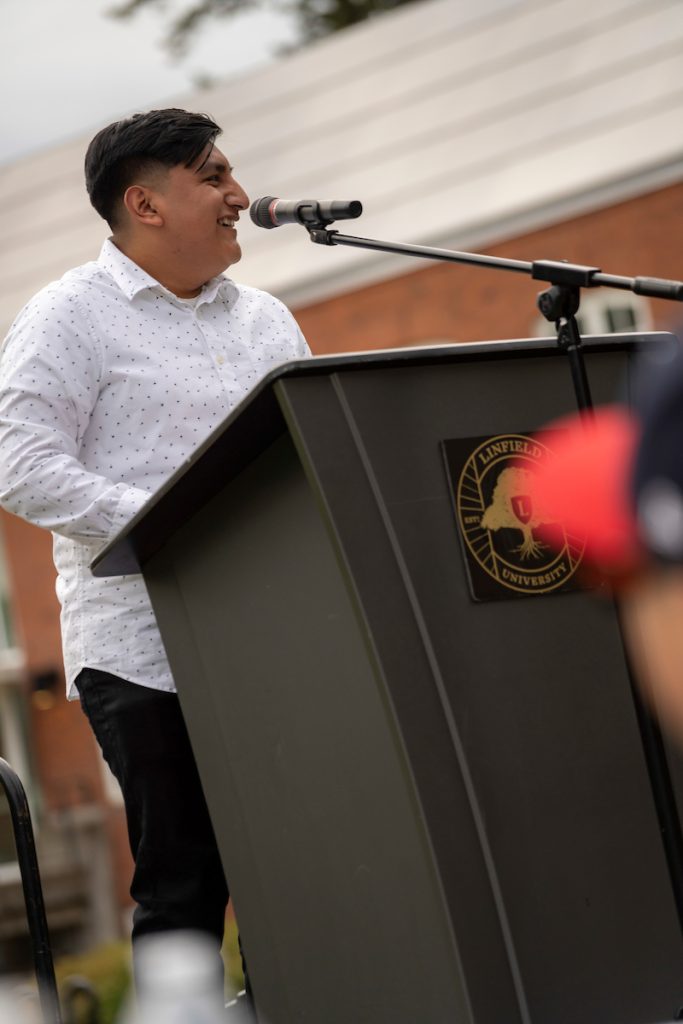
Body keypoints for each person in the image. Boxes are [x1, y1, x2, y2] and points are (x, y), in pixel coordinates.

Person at [0, 108, 310, 1000]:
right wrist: (176, 517)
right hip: (145, 655)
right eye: (213, 177)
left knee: (299, 867)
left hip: (279, 636)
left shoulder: (266, 320)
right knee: (186, 880)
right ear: (144, 202)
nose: (239, 196)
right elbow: (21, 466)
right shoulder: (66, 318)